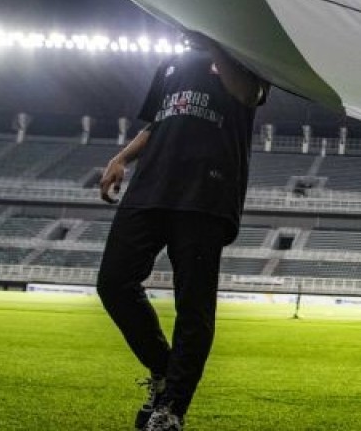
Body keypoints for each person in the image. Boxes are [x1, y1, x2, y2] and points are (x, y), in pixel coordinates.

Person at [96, 31, 268, 431]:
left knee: (193, 305)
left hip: (206, 192)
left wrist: (214, 44)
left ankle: (171, 408)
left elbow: (248, 95)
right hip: (150, 185)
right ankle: (162, 371)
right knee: (114, 283)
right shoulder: (169, 64)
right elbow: (157, 122)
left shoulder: (245, 54)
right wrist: (121, 157)